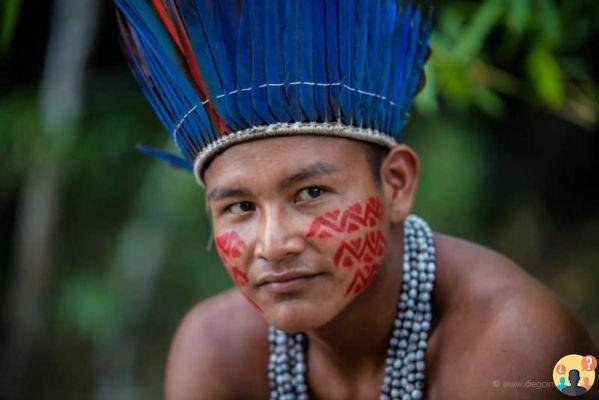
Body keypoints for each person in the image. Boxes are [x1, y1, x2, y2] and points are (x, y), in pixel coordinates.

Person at [113, 1, 598, 399]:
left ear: (396, 184)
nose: (273, 244)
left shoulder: (523, 349)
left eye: (311, 193)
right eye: (239, 207)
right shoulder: (214, 351)